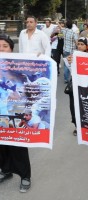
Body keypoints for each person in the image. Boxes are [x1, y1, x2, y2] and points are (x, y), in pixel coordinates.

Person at [0, 34, 31, 193]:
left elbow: (27, 89)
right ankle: (5, 170)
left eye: (5, 46)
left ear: (11, 49)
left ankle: (25, 176)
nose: (1, 49)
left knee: (18, 145)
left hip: (15, 113)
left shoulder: (20, 67)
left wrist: (39, 59)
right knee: (2, 145)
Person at [65, 37, 88, 136]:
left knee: (85, 106)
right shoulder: (73, 56)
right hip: (74, 84)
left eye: (82, 44)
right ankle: (77, 126)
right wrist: (69, 61)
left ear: (86, 46)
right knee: (73, 106)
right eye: (79, 44)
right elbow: (70, 69)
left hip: (86, 86)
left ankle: (86, 125)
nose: (80, 46)